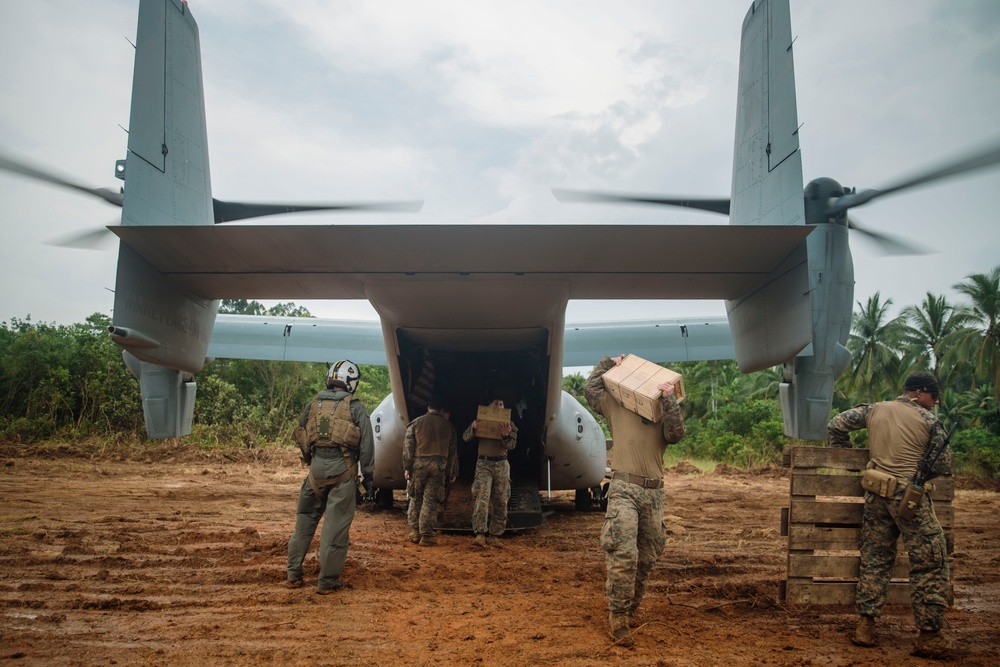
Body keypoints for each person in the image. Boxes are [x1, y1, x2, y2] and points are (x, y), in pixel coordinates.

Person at [828, 371, 968, 660]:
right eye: (933, 396)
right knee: (931, 560)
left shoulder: (873, 409)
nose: (936, 402)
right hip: (909, 498)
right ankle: (929, 635)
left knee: (876, 559)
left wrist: (845, 455)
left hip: (875, 492)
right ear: (919, 393)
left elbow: (836, 424)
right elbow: (942, 464)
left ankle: (865, 628)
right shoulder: (929, 421)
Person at [584, 355, 685, 646]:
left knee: (648, 555)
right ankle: (617, 616)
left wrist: (669, 399)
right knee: (624, 554)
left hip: (654, 493)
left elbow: (676, 435)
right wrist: (607, 363)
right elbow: (591, 389)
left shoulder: (665, 415)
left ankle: (631, 608)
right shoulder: (616, 406)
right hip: (624, 489)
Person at [286, 360, 374, 594]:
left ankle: (293, 573)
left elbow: (301, 434)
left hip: (314, 474)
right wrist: (369, 478)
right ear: (351, 383)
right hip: (342, 475)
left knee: (303, 523)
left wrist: (311, 461)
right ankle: (327, 581)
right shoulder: (356, 408)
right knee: (334, 530)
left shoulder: (312, 404)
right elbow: (366, 447)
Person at [403, 394, 459, 546]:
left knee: (416, 497)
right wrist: (452, 471)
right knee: (430, 500)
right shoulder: (449, 427)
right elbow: (452, 452)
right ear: (442, 410)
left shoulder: (416, 423)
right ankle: (426, 535)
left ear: (428, 407)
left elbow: (408, 448)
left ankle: (414, 531)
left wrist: (407, 467)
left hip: (419, 465)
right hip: (438, 466)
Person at [462, 398, 518, 547]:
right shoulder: (479, 421)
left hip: (501, 464)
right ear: (488, 407)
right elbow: (466, 438)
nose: (498, 406)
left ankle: (494, 535)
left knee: (501, 499)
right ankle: (480, 534)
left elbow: (512, 445)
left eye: (501, 404)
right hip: (483, 463)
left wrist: (505, 435)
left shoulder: (510, 425)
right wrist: (473, 428)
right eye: (495, 404)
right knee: (482, 497)